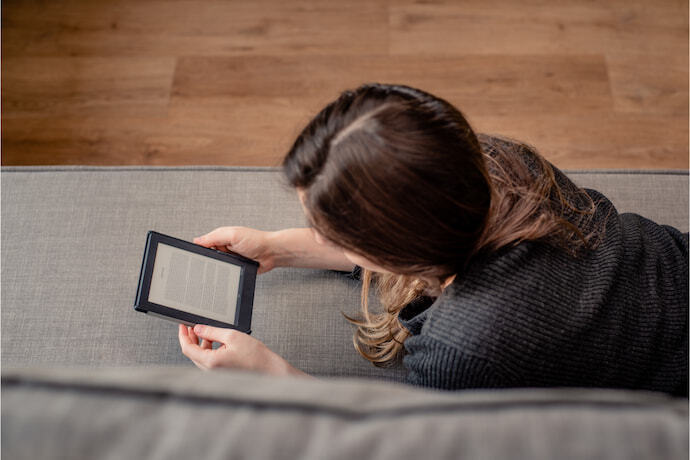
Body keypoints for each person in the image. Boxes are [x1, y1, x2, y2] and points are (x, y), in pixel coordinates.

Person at [178, 83, 688, 396]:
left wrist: (269, 374)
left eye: (331, 233)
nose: (317, 235)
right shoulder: (498, 162)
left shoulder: (464, 346)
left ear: (395, 253)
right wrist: (273, 247)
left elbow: (407, 435)